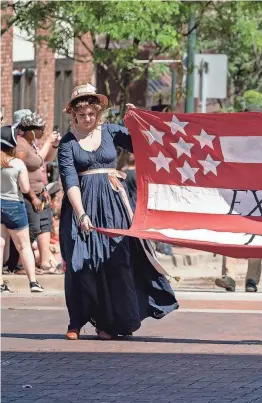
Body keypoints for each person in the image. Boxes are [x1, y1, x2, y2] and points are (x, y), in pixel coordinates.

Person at [57, 83, 178, 340]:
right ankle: (76, 320)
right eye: (82, 115)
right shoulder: (67, 143)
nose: (87, 118)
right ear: (74, 115)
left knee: (115, 264)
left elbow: (142, 145)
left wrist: (136, 120)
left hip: (113, 205)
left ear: (97, 112)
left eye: (91, 113)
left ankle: (110, 323)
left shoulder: (111, 132)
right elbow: (70, 180)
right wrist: (81, 214)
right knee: (82, 264)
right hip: (83, 204)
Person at [15, 113, 63, 274]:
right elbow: (27, 167)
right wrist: (34, 196)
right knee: (31, 229)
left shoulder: (31, 143)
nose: (43, 132)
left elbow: (43, 161)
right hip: (28, 195)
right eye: (41, 129)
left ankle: (43, 262)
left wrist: (54, 145)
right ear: (30, 130)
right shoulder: (20, 145)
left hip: (39, 192)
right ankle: (19, 264)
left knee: (44, 226)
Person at [0, 125, 44, 292]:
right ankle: (33, 282)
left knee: (0, 244)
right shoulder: (17, 164)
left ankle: (0, 283)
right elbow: (25, 189)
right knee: (24, 245)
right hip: (14, 205)